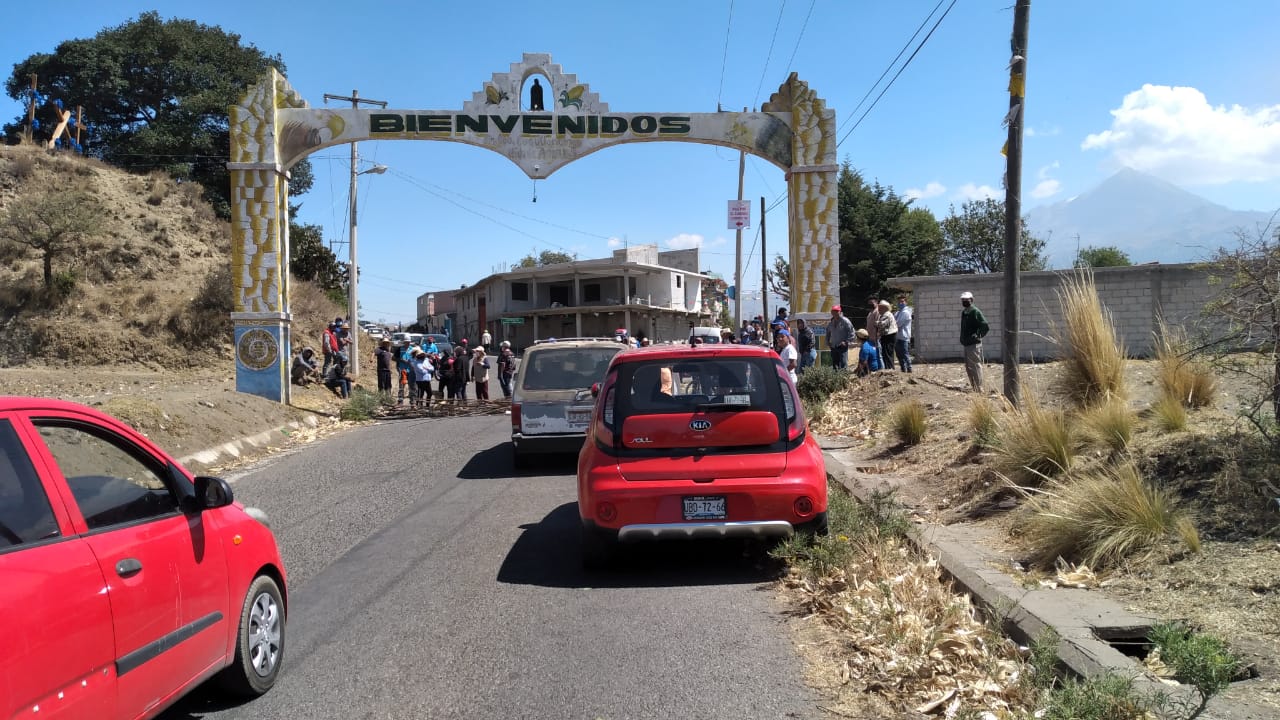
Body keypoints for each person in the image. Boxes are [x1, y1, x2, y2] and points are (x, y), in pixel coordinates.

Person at [960, 291, 990, 392]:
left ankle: (979, 388)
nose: (964, 301)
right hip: (966, 343)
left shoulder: (975, 311)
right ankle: (974, 387)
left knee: (976, 366)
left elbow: (985, 325)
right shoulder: (964, 312)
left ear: (972, 300)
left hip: (973, 344)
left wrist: (977, 335)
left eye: (966, 300)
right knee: (969, 367)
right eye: (963, 300)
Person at [826, 305, 854, 370]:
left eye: (836, 311)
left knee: (843, 364)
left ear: (840, 312)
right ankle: (836, 379)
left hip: (842, 347)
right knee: (835, 365)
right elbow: (828, 332)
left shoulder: (845, 321)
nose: (835, 313)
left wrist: (846, 342)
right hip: (834, 346)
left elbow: (852, 333)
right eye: (833, 311)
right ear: (831, 312)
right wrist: (828, 342)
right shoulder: (831, 322)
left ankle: (843, 379)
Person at [876, 299, 898, 371]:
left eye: (880, 308)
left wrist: (876, 323)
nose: (878, 309)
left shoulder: (887, 314)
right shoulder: (885, 314)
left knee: (887, 353)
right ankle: (889, 368)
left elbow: (882, 324)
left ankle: (889, 369)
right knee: (887, 353)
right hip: (888, 336)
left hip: (889, 336)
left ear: (884, 308)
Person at [894, 295, 914, 373]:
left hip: (904, 336)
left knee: (905, 353)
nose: (900, 303)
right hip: (897, 336)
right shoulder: (898, 312)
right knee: (899, 354)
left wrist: (894, 324)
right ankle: (903, 368)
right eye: (899, 302)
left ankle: (909, 368)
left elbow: (897, 324)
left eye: (902, 301)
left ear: (906, 302)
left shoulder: (906, 312)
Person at [864, 297, 882, 362]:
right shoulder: (870, 313)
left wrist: (877, 336)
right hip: (869, 337)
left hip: (875, 337)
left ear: (876, 303)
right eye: (869, 303)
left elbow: (878, 325)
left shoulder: (877, 312)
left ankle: (881, 369)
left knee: (878, 355)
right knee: (872, 354)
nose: (870, 304)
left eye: (872, 303)